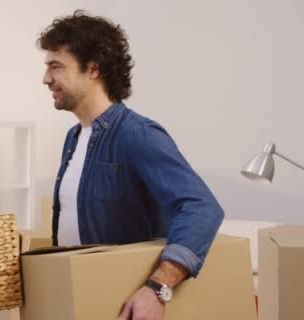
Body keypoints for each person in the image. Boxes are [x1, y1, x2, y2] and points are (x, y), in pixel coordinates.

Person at [38, 10, 224, 320]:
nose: (46, 79)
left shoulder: (137, 135)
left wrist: (157, 288)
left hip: (122, 307)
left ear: (93, 69)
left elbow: (202, 207)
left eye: (56, 67)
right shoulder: (73, 138)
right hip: (82, 300)